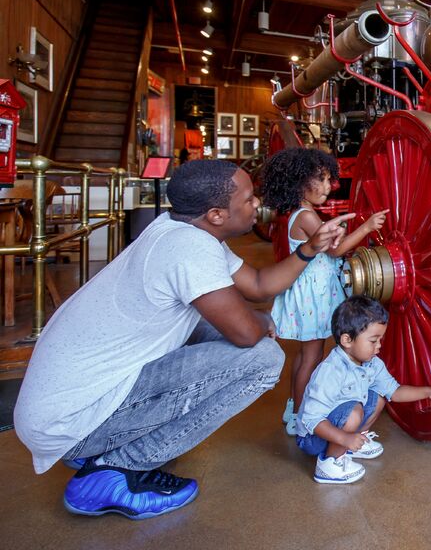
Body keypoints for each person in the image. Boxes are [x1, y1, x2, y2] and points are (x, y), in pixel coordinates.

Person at [13, 159, 354, 520]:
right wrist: (254, 322)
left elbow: (258, 285)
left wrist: (309, 249)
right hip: (67, 422)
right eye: (249, 199)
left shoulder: (182, 228)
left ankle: (101, 448)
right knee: (263, 359)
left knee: (226, 326)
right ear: (217, 214)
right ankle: (116, 470)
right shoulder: (191, 249)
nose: (258, 204)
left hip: (60, 410)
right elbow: (246, 333)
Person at [259, 147, 387, 436]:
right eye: (324, 180)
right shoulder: (306, 216)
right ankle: (304, 417)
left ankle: (295, 408)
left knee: (307, 356)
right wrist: (366, 227)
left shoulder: (302, 214)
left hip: (313, 294)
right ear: (301, 183)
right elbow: (336, 250)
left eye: (330, 180)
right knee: (312, 356)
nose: (330, 186)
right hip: (313, 298)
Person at [295, 295, 431, 484]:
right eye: (373, 341)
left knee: (380, 396)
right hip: (312, 438)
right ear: (347, 340)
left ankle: (353, 444)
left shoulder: (372, 364)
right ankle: (330, 463)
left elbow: (395, 391)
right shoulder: (331, 371)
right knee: (354, 412)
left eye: (380, 339)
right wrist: (344, 437)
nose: (379, 346)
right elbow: (312, 419)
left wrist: (427, 392)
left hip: (338, 427)